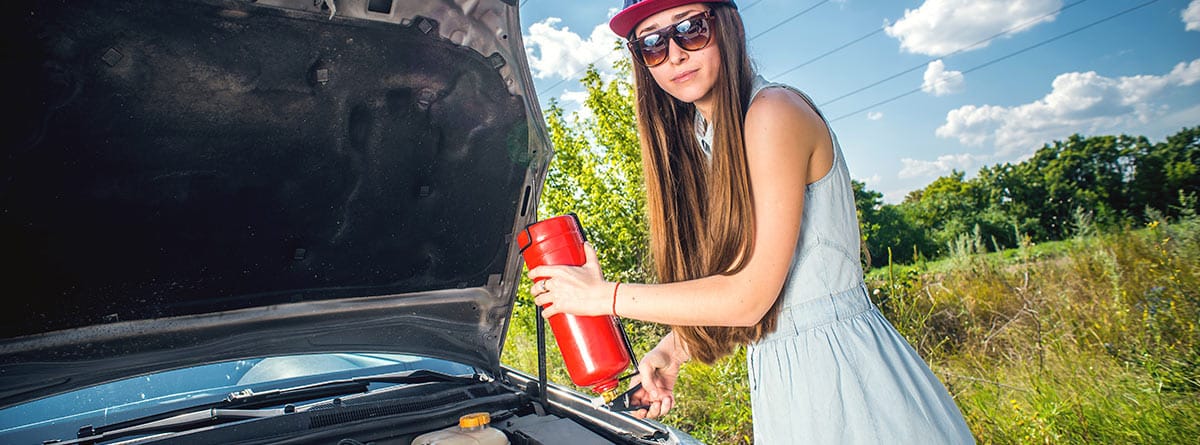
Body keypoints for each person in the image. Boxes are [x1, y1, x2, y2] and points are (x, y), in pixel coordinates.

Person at [528, 0, 975, 442]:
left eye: (691, 28)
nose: (676, 54)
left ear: (727, 25)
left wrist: (602, 297)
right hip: (788, 385)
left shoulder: (773, 113)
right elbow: (746, 281)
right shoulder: (707, 141)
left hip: (850, 381)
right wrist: (676, 348)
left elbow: (749, 298)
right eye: (652, 43)